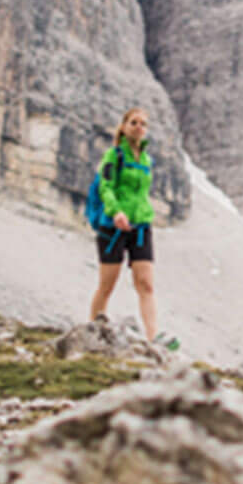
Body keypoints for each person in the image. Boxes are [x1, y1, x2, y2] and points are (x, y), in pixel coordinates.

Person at [88, 106, 174, 348]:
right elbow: (105, 187)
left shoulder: (147, 160)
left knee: (146, 283)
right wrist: (116, 212)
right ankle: (93, 330)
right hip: (113, 227)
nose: (139, 127)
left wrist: (144, 215)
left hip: (140, 227)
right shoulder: (113, 156)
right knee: (107, 285)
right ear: (124, 127)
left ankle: (153, 336)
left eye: (143, 124)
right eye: (134, 122)